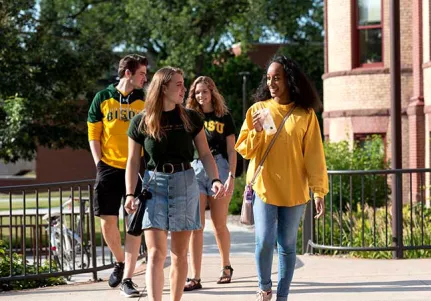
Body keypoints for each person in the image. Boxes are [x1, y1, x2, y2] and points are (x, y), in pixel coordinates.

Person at [124, 67, 225, 301]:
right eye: (178, 84)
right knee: (156, 254)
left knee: (179, 254)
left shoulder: (191, 118)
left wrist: (215, 179)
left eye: (183, 83)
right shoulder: (141, 121)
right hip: (153, 186)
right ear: (163, 88)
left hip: (185, 184)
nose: (184, 88)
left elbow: (206, 154)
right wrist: (130, 194)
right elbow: (131, 161)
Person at [235, 55, 328, 301]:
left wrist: (318, 191)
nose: (272, 83)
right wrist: (255, 131)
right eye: (268, 78)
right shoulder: (259, 110)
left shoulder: (305, 114)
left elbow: (314, 156)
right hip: (265, 187)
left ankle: (282, 296)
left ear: (289, 79)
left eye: (277, 78)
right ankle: (264, 288)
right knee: (265, 240)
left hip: (295, 190)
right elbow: (244, 149)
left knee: (287, 246)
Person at [87, 54, 148, 297]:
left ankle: (128, 277)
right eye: (142, 73)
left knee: (133, 223)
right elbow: (93, 133)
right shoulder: (102, 98)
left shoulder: (143, 100)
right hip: (108, 167)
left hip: (136, 166)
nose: (145, 78)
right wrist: (98, 163)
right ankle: (120, 262)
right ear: (128, 74)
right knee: (107, 221)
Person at [184, 76, 237, 291]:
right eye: (197, 92)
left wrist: (231, 177)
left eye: (205, 91)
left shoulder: (224, 116)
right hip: (195, 168)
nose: (201, 95)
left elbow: (232, 150)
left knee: (219, 223)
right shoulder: (189, 117)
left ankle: (226, 267)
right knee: (197, 225)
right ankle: (195, 277)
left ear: (212, 92)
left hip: (220, 167)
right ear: (193, 95)